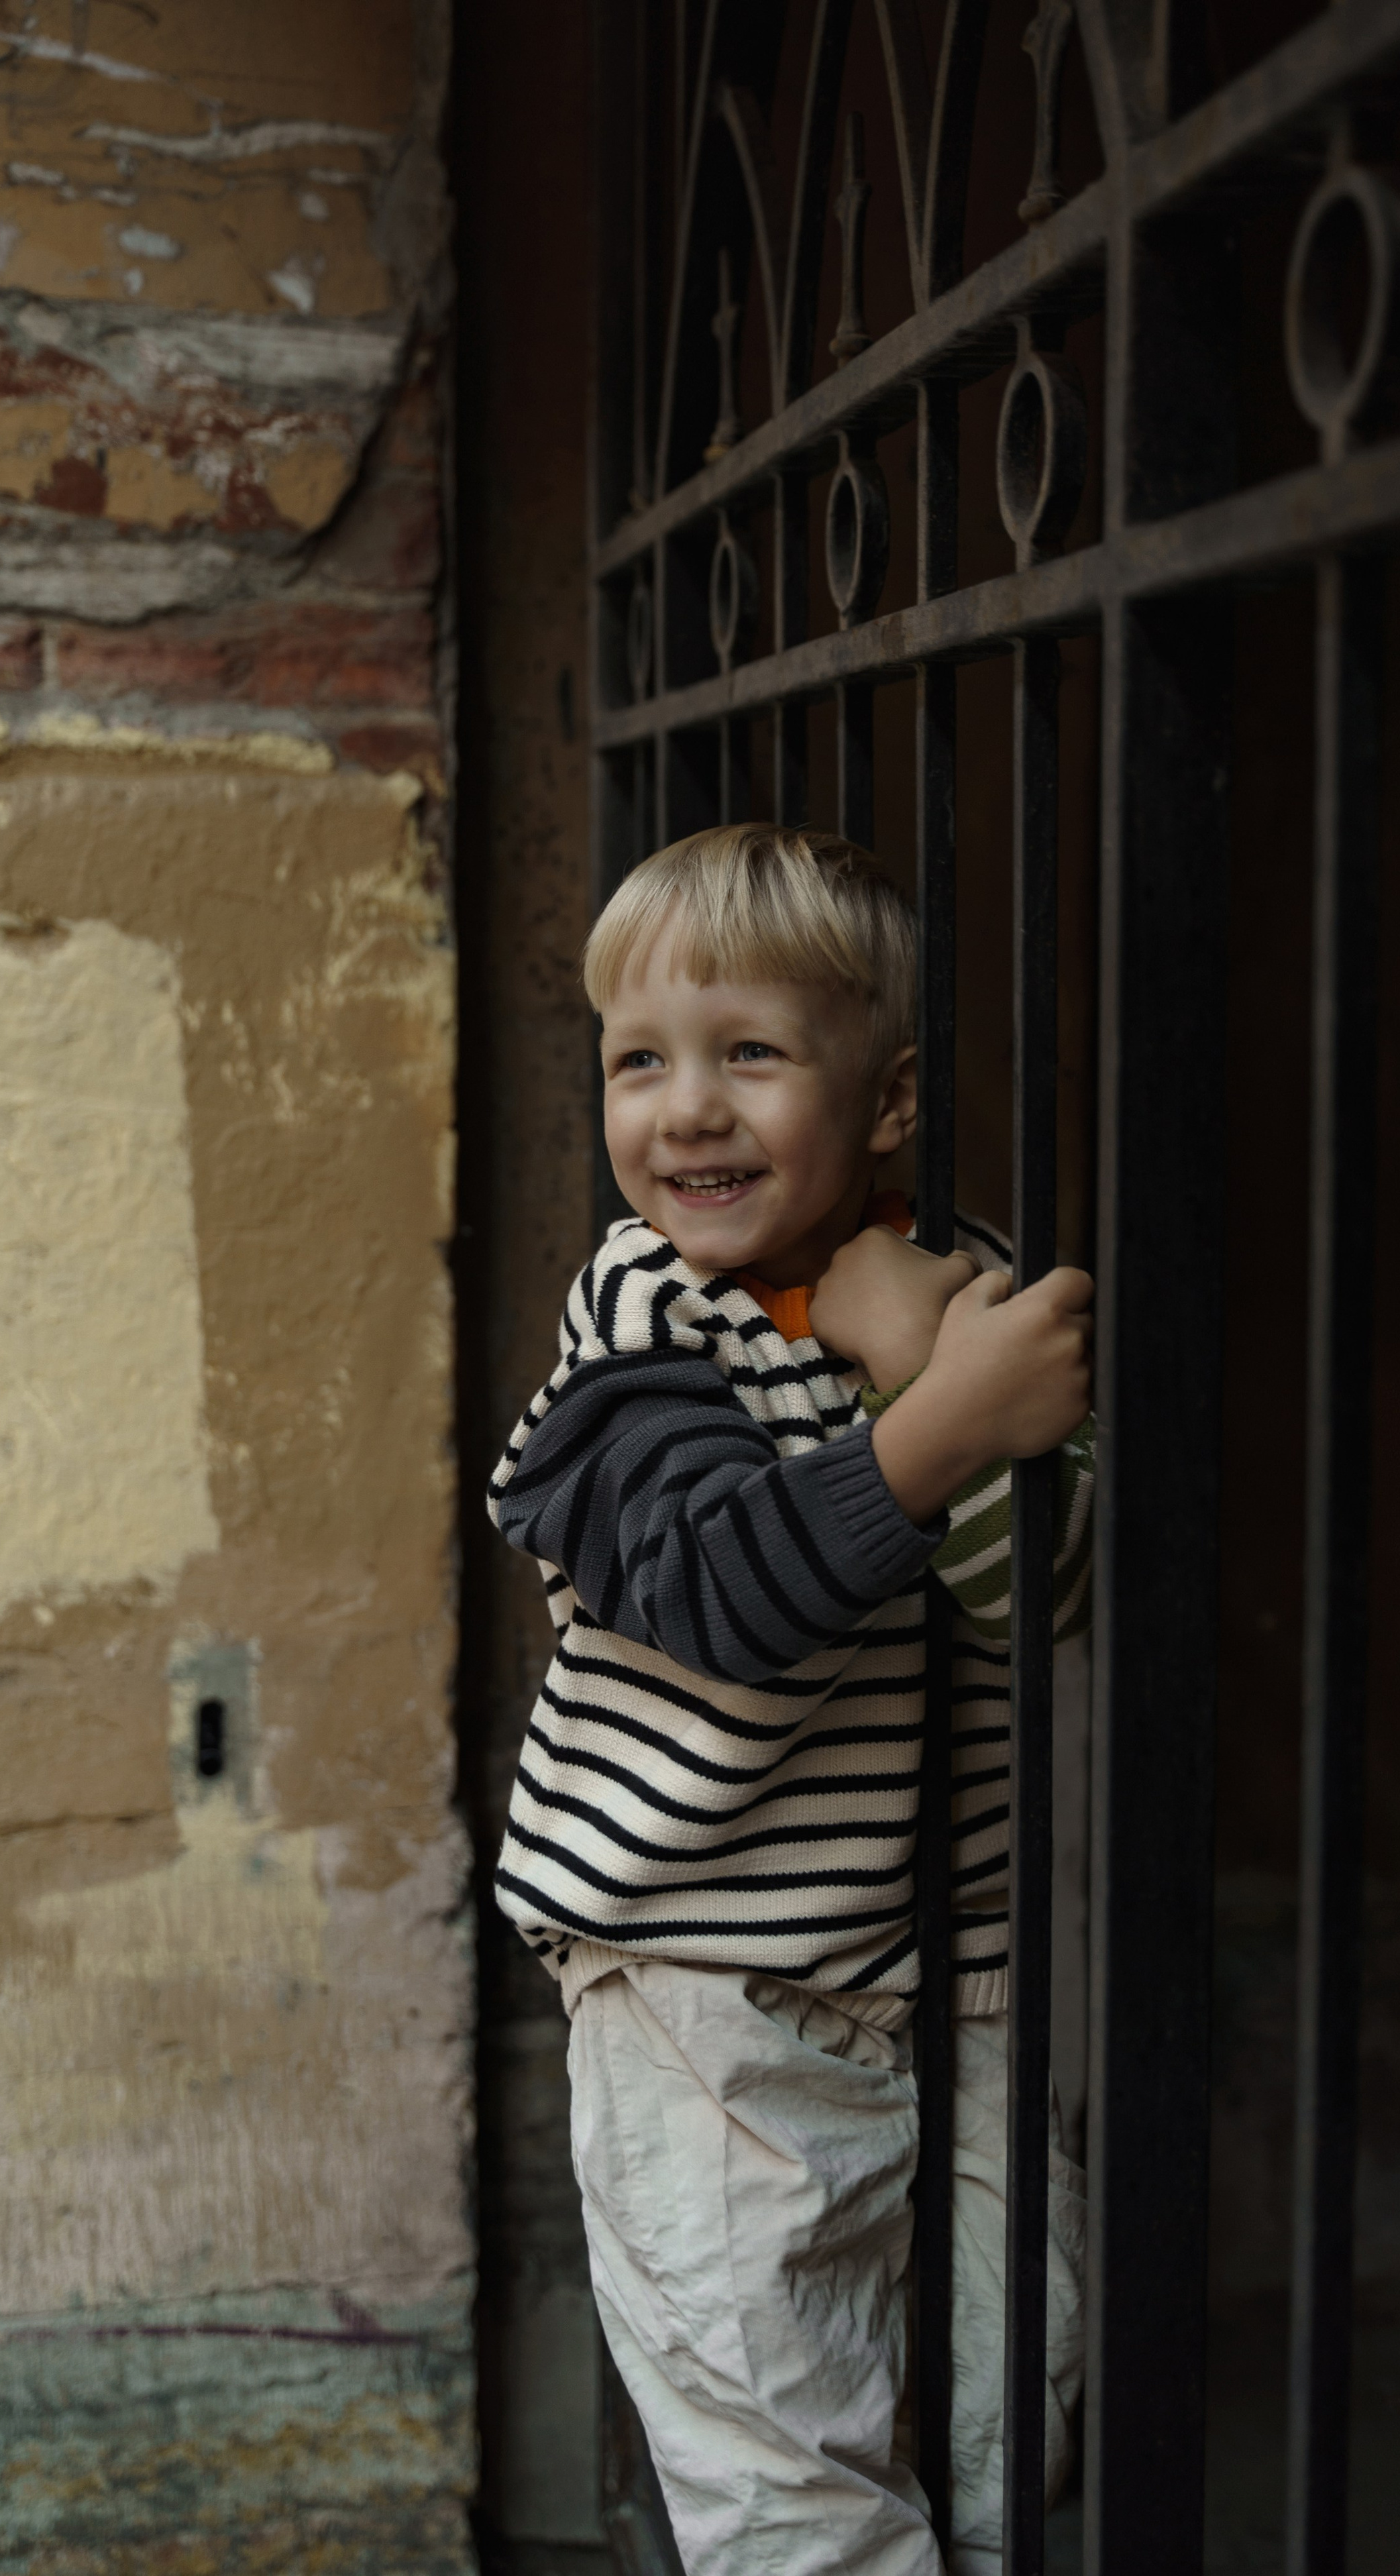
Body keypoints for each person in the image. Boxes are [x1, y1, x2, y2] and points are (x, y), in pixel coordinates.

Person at [488, 823, 1093, 2575]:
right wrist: (936, 1425)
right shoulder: (642, 1311)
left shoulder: (955, 1294)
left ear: (886, 1101)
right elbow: (716, 1596)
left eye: (749, 1052)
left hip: (955, 1975)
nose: (686, 1109)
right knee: (788, 2467)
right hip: (707, 1990)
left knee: (1011, 2404)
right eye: (639, 1061)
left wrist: (927, 1359)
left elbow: (1053, 1595)